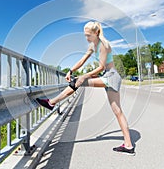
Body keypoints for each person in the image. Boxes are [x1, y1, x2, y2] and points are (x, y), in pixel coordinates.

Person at [36, 21, 135, 155]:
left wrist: (84, 76)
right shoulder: (92, 45)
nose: (87, 38)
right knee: (117, 111)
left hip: (111, 76)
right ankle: (128, 145)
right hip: (108, 76)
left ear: (96, 33)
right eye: (85, 36)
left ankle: (52, 102)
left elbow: (101, 67)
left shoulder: (103, 45)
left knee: (80, 81)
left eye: (88, 35)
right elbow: (82, 60)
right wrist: (71, 70)